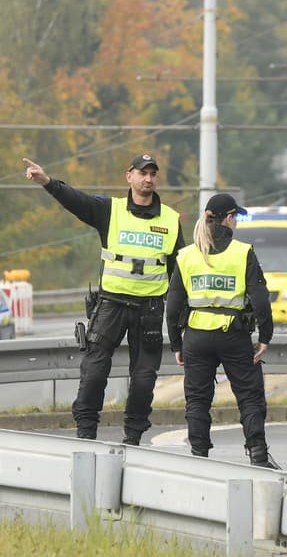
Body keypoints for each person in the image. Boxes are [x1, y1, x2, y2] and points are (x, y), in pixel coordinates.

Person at [23, 154, 185, 445]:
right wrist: (47, 182)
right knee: (95, 370)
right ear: (129, 176)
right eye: (142, 173)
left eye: (152, 173)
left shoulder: (171, 220)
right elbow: (76, 200)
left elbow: (179, 273)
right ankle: (86, 433)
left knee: (145, 378)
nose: (148, 178)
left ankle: (132, 438)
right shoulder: (111, 210)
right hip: (111, 304)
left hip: (149, 308)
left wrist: (181, 318)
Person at [165, 193, 278, 468]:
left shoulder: (186, 256)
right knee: (249, 396)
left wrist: (177, 345)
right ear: (228, 218)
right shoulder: (243, 253)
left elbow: (173, 305)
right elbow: (261, 301)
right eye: (235, 217)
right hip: (234, 336)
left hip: (196, 338)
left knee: (197, 399)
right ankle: (258, 454)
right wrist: (265, 338)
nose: (236, 222)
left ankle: (199, 456)